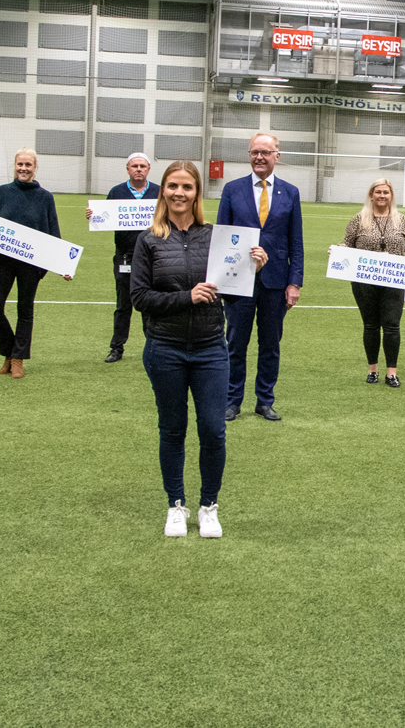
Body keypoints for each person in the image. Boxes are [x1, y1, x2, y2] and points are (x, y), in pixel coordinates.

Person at [132, 161, 267, 539]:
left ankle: (209, 506)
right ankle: (176, 505)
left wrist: (253, 265)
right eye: (173, 186)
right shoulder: (148, 240)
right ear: (164, 192)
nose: (179, 193)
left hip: (210, 348)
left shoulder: (216, 237)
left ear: (197, 193)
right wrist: (186, 298)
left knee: (213, 430)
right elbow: (140, 297)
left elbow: (230, 286)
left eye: (187, 187)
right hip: (164, 349)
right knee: (172, 430)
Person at [217, 132, 304, 422]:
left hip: (275, 283)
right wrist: (219, 280)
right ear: (249, 154)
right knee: (235, 344)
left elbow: (296, 242)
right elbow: (222, 238)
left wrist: (295, 282)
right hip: (237, 281)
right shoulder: (232, 189)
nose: (259, 157)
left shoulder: (290, 193)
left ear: (276, 156)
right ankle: (232, 401)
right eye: (255, 152)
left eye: (265, 152)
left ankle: (265, 400)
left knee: (270, 345)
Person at [0, 148, 67, 379]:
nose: (24, 169)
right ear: (14, 165)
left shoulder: (45, 197)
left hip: (31, 264)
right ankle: (10, 352)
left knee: (25, 310)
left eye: (28, 165)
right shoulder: (1, 192)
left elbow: (53, 232)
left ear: (35, 167)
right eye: (20, 164)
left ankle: (18, 358)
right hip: (2, 261)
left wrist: (63, 265)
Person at [340, 178, 405, 388]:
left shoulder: (401, 220)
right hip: (363, 281)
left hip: (394, 280)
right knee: (371, 325)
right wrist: (337, 250)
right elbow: (347, 244)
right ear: (371, 195)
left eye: (386, 192)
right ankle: (373, 370)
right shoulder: (359, 219)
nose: (382, 196)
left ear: (391, 195)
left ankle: (391, 373)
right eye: (378, 192)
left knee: (392, 325)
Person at [87, 153, 159, 364]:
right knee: (123, 304)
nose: (138, 169)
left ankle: (154, 348)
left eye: (142, 166)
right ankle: (116, 348)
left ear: (148, 169)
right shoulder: (116, 192)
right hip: (124, 257)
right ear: (128, 169)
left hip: (153, 257)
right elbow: (106, 217)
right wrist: (95, 216)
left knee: (150, 304)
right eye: (134, 166)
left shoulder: (159, 192)